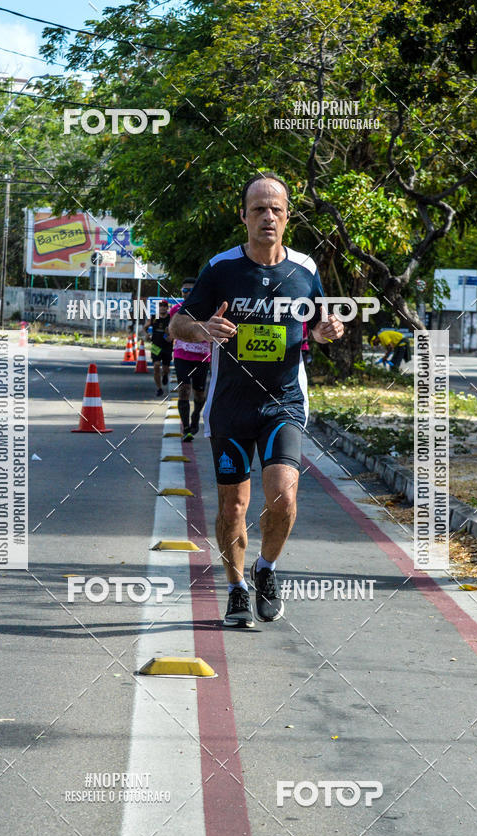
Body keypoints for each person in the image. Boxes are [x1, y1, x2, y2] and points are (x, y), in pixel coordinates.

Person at [169, 171, 344, 628]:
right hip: (230, 405)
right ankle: (235, 588)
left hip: (283, 401)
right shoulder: (222, 268)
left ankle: (265, 568)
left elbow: (323, 323)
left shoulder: (304, 269)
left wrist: (327, 331)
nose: (268, 216)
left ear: (288, 217)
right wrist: (202, 328)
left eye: (276, 209)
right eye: (259, 209)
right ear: (243, 216)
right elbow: (178, 324)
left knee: (283, 499)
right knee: (233, 507)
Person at [169, 278, 211, 442]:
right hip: (181, 356)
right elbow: (172, 332)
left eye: (191, 291)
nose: (187, 294)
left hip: (202, 357)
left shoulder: (207, 310)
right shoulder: (176, 310)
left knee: (199, 394)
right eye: (184, 291)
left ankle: (195, 416)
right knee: (184, 390)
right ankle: (186, 428)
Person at [145, 300, 172, 396]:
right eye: (161, 305)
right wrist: (147, 335)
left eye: (164, 306)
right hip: (155, 346)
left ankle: (165, 375)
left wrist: (172, 337)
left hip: (167, 346)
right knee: (156, 366)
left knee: (165, 368)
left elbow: (176, 330)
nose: (162, 307)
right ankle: (159, 388)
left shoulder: (171, 318)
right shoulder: (153, 317)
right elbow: (145, 328)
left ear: (167, 307)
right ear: (158, 307)